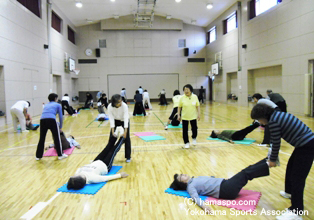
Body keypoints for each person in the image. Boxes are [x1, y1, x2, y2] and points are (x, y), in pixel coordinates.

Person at [251, 104, 314, 219]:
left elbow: (275, 143)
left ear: (264, 116)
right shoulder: (277, 115)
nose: (260, 123)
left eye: (259, 119)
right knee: (291, 168)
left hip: (307, 146)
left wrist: (272, 160)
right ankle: (289, 192)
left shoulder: (274, 122)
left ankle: (296, 212)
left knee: (297, 178)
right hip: (303, 144)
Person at [170, 158, 270, 214]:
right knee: (246, 173)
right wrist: (204, 206)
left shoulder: (194, 179)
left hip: (226, 184)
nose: (183, 174)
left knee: (247, 170)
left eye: (181, 174)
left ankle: (267, 160)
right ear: (182, 183)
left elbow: (208, 180)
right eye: (181, 177)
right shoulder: (190, 187)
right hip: (226, 190)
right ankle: (268, 163)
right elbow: (195, 198)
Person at [35, 93, 68, 160]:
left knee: (42, 138)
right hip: (51, 120)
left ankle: (38, 156)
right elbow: (61, 117)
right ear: (55, 98)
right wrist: (60, 127)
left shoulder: (46, 105)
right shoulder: (58, 105)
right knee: (57, 138)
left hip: (42, 121)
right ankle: (60, 155)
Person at [108, 94, 132, 162]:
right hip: (115, 120)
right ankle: (109, 154)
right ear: (114, 103)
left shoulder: (124, 106)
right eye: (119, 102)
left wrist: (125, 132)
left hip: (124, 120)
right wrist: (112, 131)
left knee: (126, 138)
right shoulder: (110, 107)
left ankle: (128, 157)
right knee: (111, 138)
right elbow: (111, 119)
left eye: (121, 101)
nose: (120, 103)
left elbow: (126, 118)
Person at [178, 84, 200, 149]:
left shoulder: (195, 97)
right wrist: (178, 115)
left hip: (193, 116)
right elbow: (179, 107)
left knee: (194, 128)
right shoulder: (182, 98)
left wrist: (199, 114)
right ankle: (186, 143)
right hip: (185, 117)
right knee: (185, 130)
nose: (186, 91)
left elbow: (197, 106)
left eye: (187, 90)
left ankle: (194, 138)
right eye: (184, 90)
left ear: (190, 90)